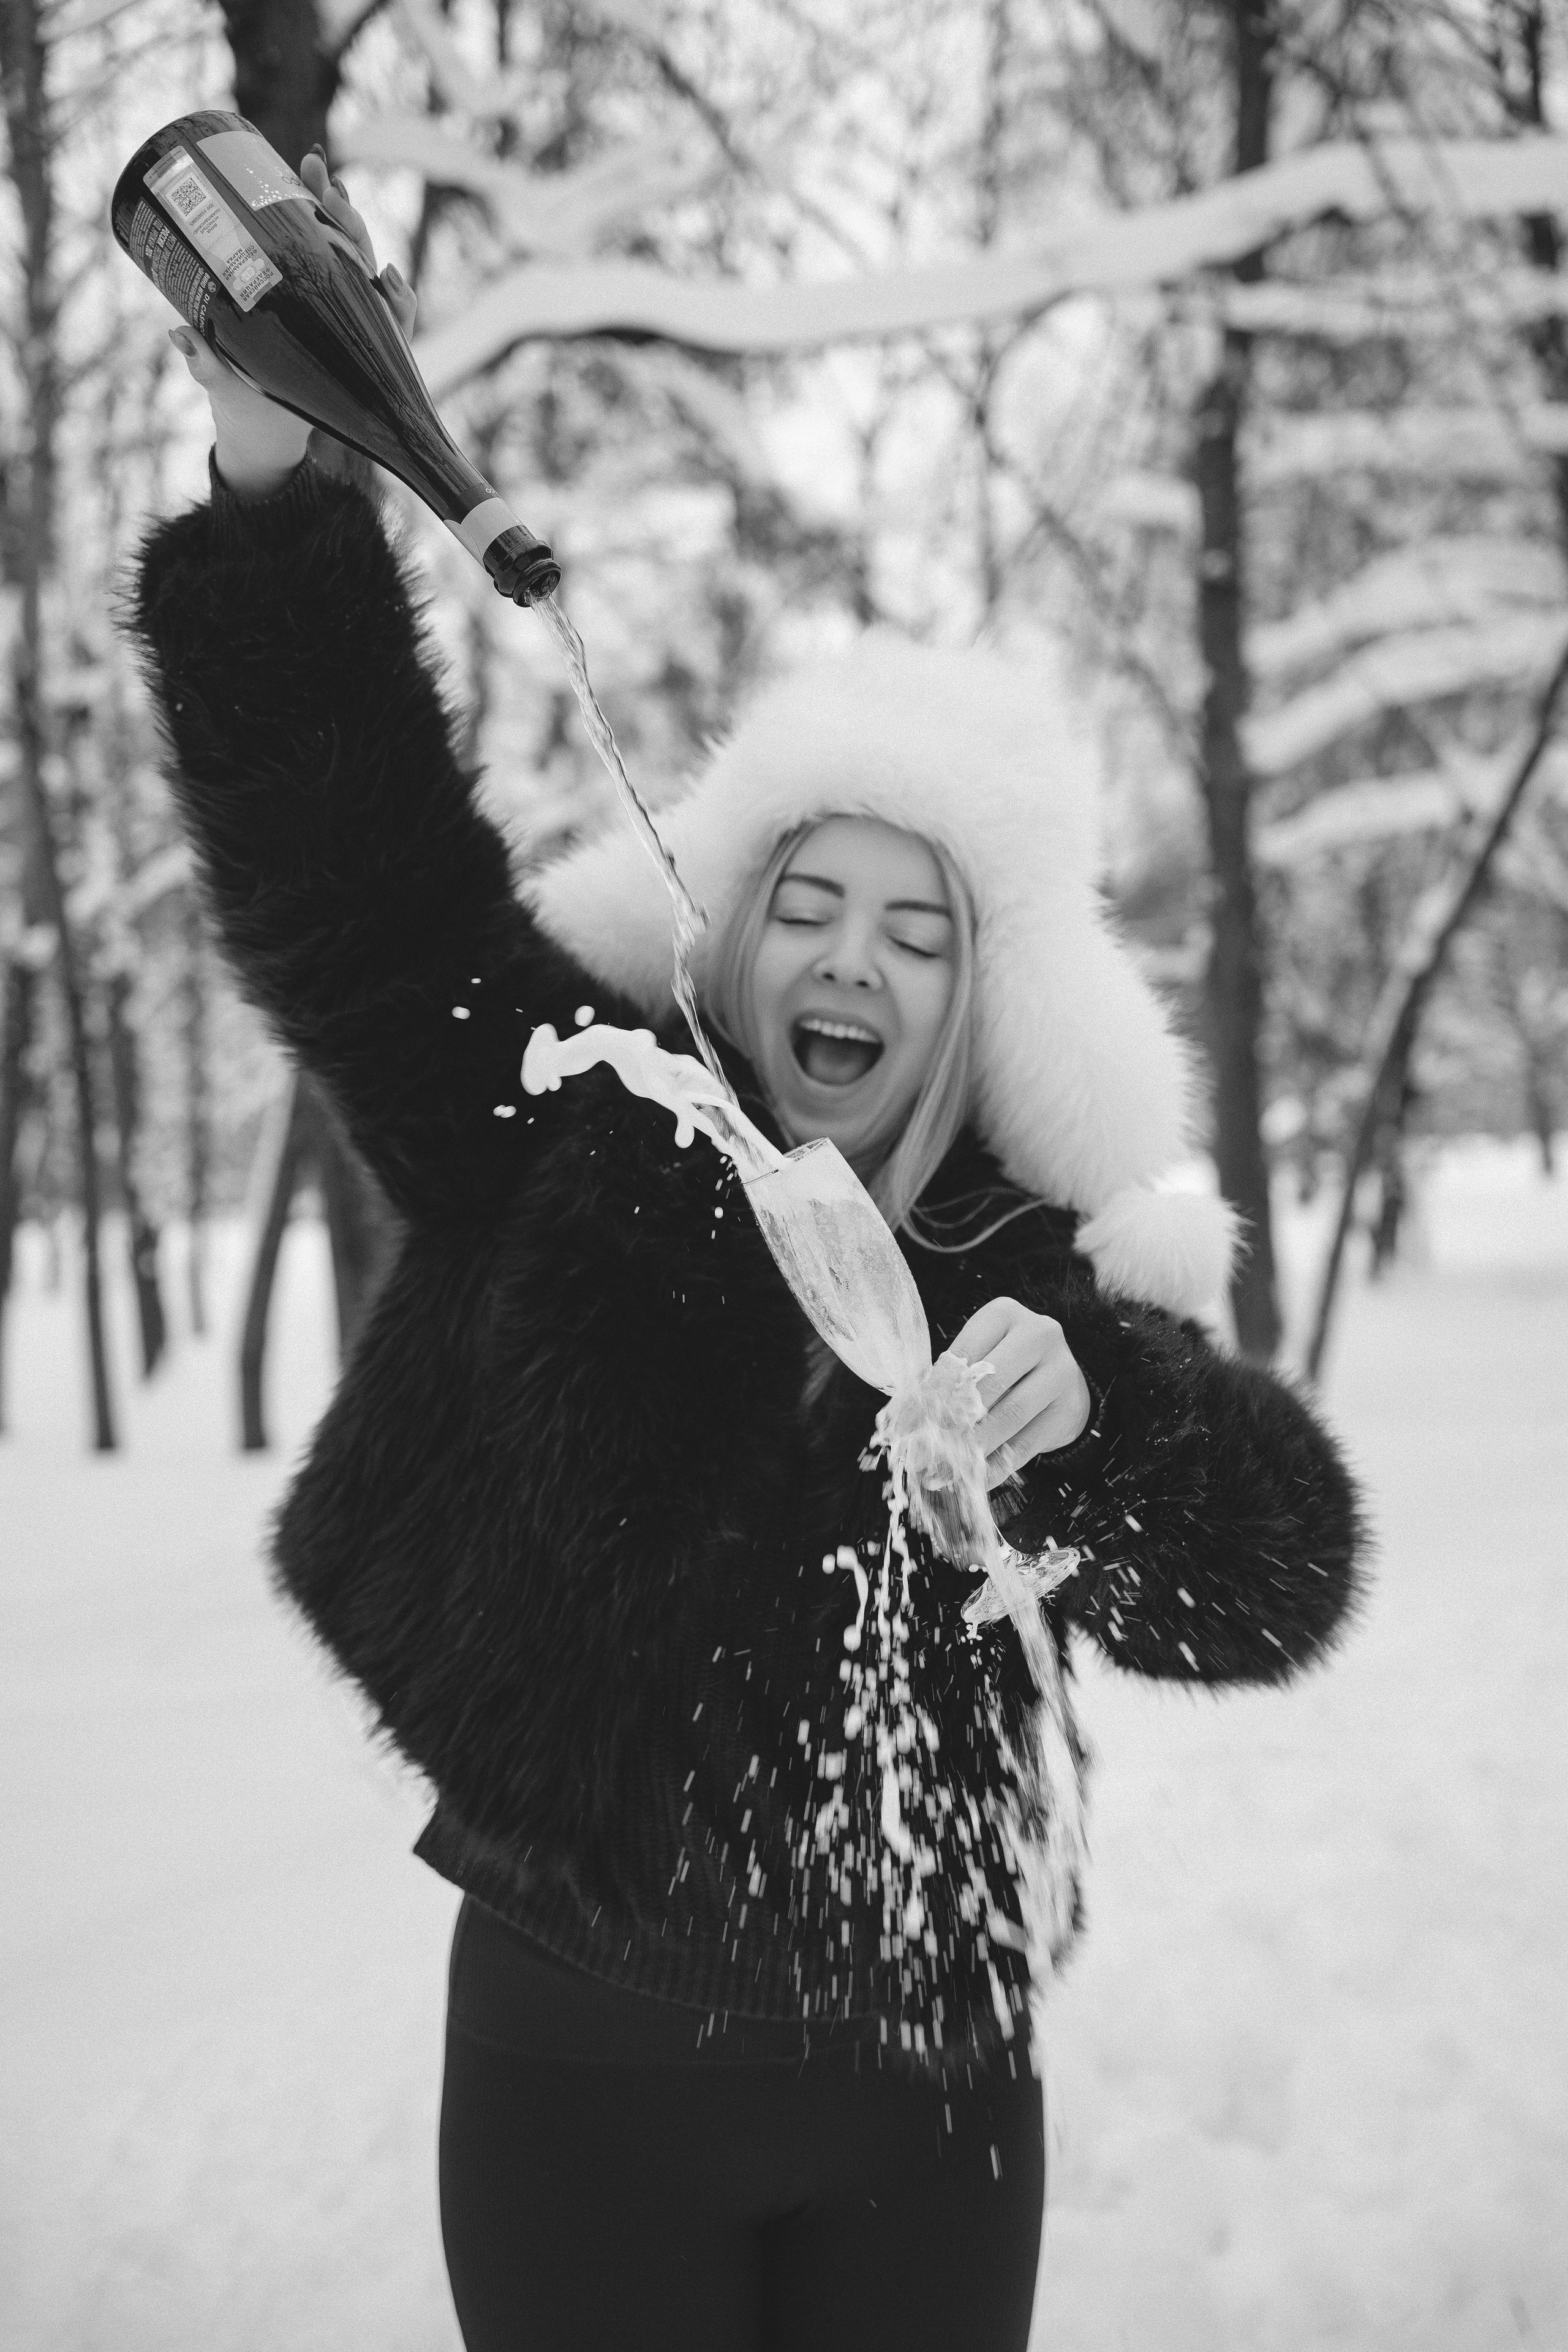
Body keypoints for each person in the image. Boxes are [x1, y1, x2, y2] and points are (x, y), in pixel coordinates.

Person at [134, 152, 1366, 2352]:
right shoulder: (584, 1111)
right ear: (730, 920)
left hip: (934, 2077)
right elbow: (353, 876)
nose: (852, 959)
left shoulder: (1032, 1262)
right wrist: (272, 486)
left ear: (977, 1003)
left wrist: (1109, 1423)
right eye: (809, 898)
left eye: (919, 930)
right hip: (575, 2051)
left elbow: (1275, 1572)